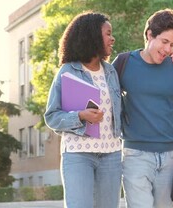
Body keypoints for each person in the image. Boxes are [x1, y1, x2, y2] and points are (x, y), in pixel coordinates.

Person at [111, 9, 173, 208]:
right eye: (164, 42)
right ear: (149, 35)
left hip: (170, 157)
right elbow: (106, 101)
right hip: (135, 155)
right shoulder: (124, 63)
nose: (168, 49)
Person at [44, 11, 122, 208]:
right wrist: (80, 116)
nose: (112, 38)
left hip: (111, 153)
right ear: (92, 36)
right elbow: (52, 117)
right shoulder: (68, 71)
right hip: (78, 154)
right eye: (108, 33)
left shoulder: (111, 71)